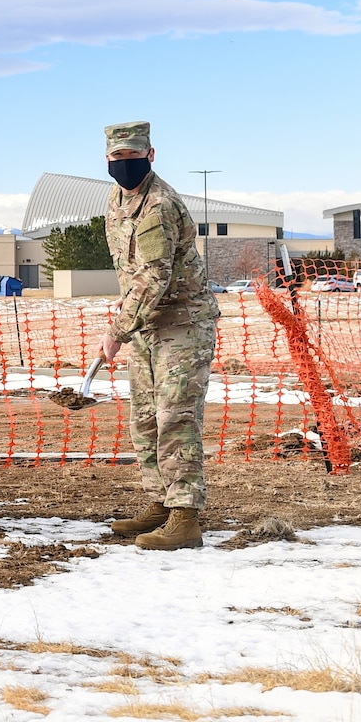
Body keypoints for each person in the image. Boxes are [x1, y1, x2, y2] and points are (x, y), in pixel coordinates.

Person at [97, 122, 221, 550]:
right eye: (117, 158)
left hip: (182, 324)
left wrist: (116, 331)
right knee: (145, 419)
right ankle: (161, 503)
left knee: (175, 417)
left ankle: (185, 517)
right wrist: (128, 314)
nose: (125, 165)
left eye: (133, 157)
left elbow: (155, 274)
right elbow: (133, 273)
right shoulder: (116, 199)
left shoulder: (159, 205)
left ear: (150, 155)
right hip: (147, 323)